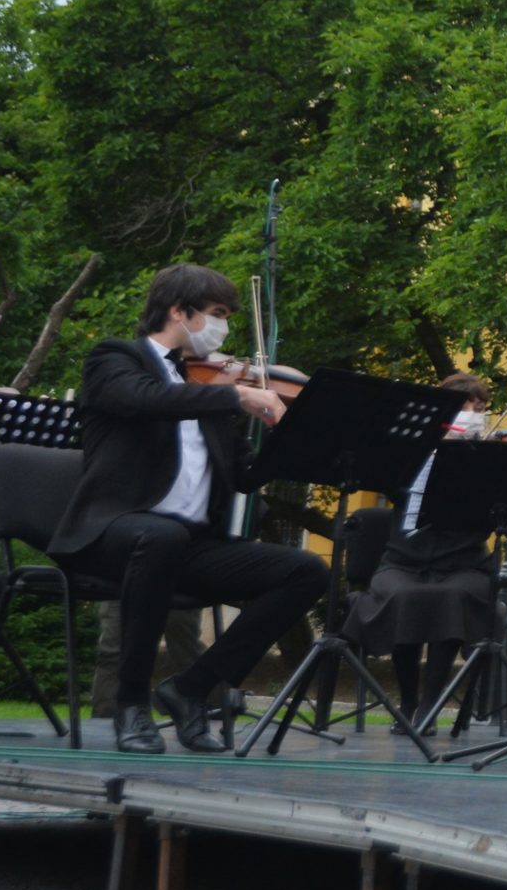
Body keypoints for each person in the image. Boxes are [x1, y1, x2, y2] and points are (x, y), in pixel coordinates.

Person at [47, 264, 325, 755]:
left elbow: (245, 476)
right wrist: (234, 394)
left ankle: (191, 688)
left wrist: (293, 440)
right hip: (113, 534)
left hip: (188, 546)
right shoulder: (116, 358)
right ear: (179, 311)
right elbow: (140, 398)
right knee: (161, 536)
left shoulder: (209, 385)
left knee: (305, 572)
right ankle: (131, 702)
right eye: (216, 314)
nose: (223, 328)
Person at [341, 372, 501, 723]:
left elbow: (500, 512)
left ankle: (431, 702)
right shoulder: (408, 452)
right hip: (404, 562)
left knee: (453, 597)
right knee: (403, 597)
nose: (475, 413)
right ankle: (409, 700)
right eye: (467, 406)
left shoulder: (489, 456)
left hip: (465, 565)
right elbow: (382, 479)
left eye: (481, 407)